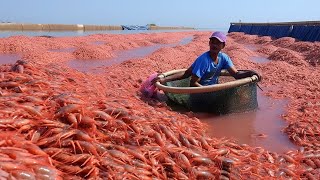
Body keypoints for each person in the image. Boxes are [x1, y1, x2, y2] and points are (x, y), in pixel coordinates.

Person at [154, 31, 261, 86]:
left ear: (223, 46)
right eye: (212, 42)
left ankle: (164, 79)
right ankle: (163, 79)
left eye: (217, 43)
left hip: (212, 89)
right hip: (200, 92)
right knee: (187, 73)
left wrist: (251, 73)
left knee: (187, 72)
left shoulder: (224, 58)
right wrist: (208, 91)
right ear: (209, 43)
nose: (214, 45)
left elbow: (236, 75)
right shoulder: (204, 60)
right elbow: (193, 83)